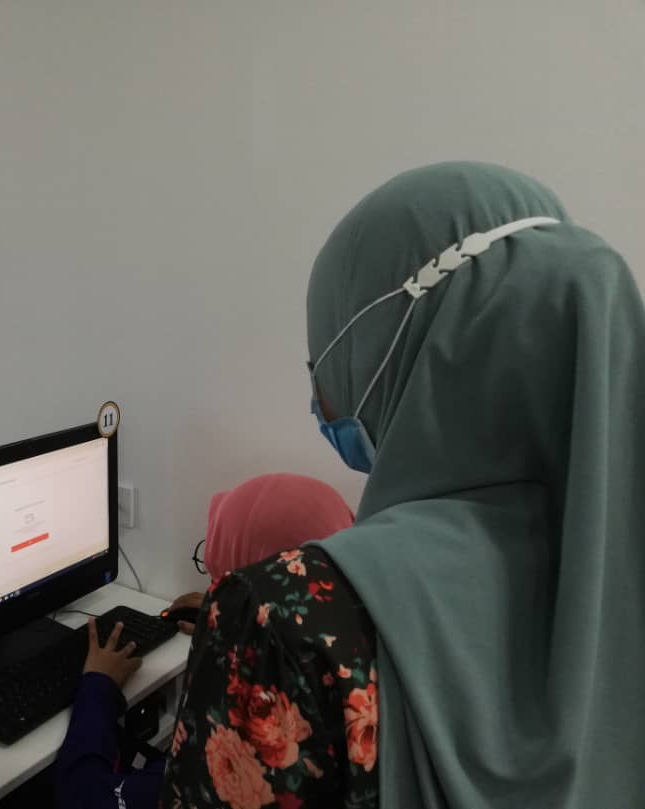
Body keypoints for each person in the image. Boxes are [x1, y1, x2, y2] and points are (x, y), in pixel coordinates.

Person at [163, 162, 645, 809]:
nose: (320, 398)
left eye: (325, 361)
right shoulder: (614, 571)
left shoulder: (283, 618)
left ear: (387, 345)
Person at [54, 473, 354, 809]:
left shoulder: (235, 761)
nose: (215, 591)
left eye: (224, 582)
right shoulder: (354, 674)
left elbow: (82, 797)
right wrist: (231, 621)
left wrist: (98, 685)